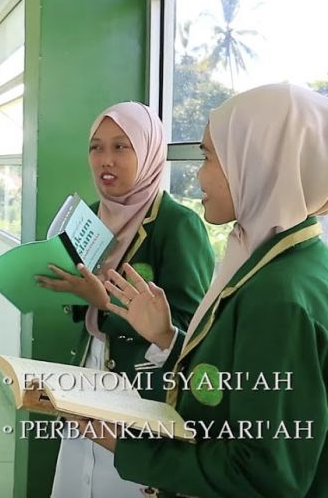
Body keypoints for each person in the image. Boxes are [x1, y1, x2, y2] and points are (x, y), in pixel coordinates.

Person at [87, 84, 328, 496]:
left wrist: (127, 446)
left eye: (208, 157)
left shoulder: (279, 297)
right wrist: (167, 338)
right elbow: (230, 385)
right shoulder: (284, 261)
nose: (199, 174)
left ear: (256, 162)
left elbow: (259, 475)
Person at [37, 102, 215, 497]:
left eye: (121, 147)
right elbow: (88, 305)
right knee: (76, 482)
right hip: (88, 376)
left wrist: (104, 303)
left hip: (142, 392)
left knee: (119, 482)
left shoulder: (177, 225)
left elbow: (188, 331)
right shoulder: (90, 217)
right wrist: (73, 291)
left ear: (149, 152)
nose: (106, 160)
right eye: (96, 147)